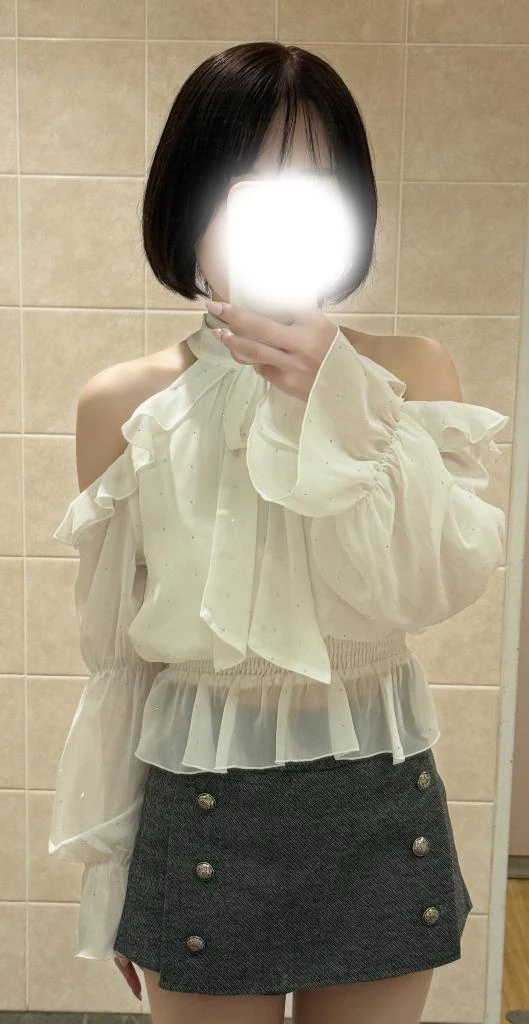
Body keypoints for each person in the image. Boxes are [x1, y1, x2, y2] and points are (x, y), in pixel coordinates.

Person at [49, 41, 509, 1024]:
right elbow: (122, 663)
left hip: (377, 804)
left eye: (311, 184)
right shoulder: (122, 406)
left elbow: (424, 588)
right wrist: (117, 868)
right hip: (199, 817)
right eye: (245, 184)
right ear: (187, 199)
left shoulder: (410, 377)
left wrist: (338, 404)